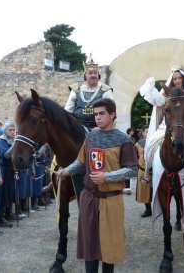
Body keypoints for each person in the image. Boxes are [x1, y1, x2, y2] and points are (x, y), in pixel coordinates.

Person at [56, 98, 138, 273]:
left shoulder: (123, 140)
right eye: (95, 114)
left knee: (109, 246)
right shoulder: (91, 137)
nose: (97, 118)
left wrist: (106, 177)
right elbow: (81, 162)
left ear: (112, 115)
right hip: (89, 198)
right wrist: (67, 171)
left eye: (101, 114)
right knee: (90, 246)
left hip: (111, 200)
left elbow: (132, 170)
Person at [139, 65, 184, 260]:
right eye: (174, 78)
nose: (177, 81)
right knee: (151, 144)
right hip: (167, 127)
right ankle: (149, 172)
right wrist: (150, 83)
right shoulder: (166, 94)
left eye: (179, 78)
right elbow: (155, 99)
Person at [64, 53, 113, 131]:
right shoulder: (75, 90)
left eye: (95, 73)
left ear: (98, 75)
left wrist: (101, 128)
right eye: (90, 73)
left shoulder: (106, 90)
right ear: (85, 75)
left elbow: (112, 114)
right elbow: (67, 113)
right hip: (78, 130)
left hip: (100, 131)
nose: (93, 75)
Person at [135, 125, 152, 218]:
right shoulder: (138, 144)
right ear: (143, 132)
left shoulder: (157, 143)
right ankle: (148, 209)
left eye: (150, 131)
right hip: (142, 170)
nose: (148, 133)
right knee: (144, 190)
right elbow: (135, 156)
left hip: (154, 171)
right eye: (146, 131)